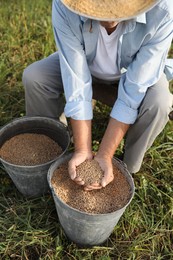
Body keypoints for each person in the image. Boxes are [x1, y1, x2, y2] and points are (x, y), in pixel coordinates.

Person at [23, 0, 173, 191]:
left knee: (160, 102)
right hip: (85, 66)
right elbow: (76, 78)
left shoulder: (163, 11)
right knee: (35, 77)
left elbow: (134, 90)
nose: (109, 19)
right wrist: (83, 149)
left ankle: (125, 168)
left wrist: (105, 154)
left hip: (130, 74)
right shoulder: (65, 5)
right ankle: (51, 147)